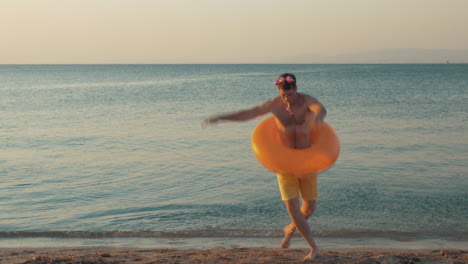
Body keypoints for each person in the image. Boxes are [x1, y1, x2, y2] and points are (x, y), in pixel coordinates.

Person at [202, 73, 326, 261]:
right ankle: (314, 248)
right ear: (279, 92)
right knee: (292, 207)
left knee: (309, 208)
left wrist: (317, 116)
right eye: (284, 95)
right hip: (284, 163)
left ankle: (291, 229)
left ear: (296, 89)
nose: (287, 98)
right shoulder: (274, 105)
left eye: (290, 94)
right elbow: (248, 113)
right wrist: (220, 117)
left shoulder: (307, 100)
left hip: (306, 160)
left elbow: (320, 108)